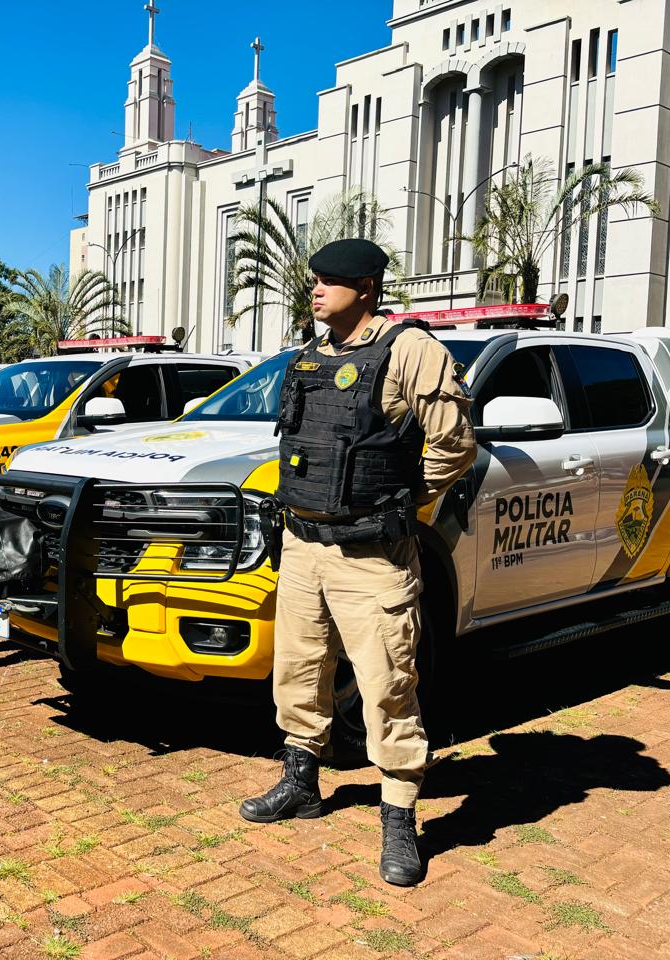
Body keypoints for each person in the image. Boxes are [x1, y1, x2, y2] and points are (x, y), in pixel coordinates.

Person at [238, 239, 477, 888]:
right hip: (303, 548)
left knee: (387, 686)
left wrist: (398, 501)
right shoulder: (309, 358)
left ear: (367, 287)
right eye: (313, 281)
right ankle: (301, 783)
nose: (315, 290)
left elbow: (455, 444)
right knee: (299, 669)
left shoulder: (409, 351)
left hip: (373, 557)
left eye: (330, 282)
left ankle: (399, 816)